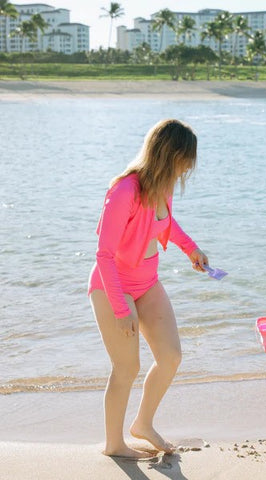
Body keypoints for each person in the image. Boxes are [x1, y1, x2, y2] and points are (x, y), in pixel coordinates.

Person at [88, 119, 209, 459]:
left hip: (147, 283)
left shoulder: (162, 187)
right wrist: (121, 308)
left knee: (171, 356)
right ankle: (114, 444)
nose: (185, 171)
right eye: (184, 162)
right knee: (126, 368)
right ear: (169, 156)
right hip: (112, 285)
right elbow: (104, 255)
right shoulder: (125, 191)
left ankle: (142, 423)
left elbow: (166, 223)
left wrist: (191, 250)